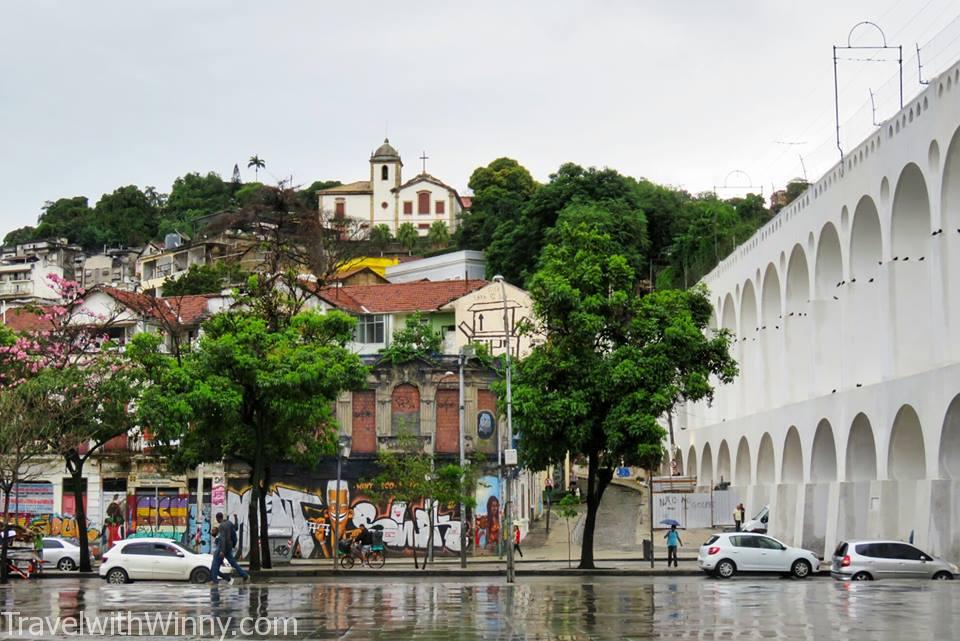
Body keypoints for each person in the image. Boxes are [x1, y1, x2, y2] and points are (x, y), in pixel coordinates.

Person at [210, 512, 249, 584]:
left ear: (218, 518)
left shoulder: (221, 526)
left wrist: (222, 551)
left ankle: (214, 581)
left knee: (215, 563)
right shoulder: (229, 523)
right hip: (229, 547)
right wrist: (236, 518)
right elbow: (236, 529)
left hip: (222, 547)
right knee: (233, 563)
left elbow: (223, 538)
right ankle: (245, 575)